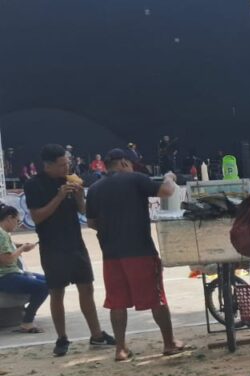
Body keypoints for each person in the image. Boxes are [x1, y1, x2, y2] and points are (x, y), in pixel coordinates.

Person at [86, 149, 186, 361]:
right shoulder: (135, 179)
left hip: (111, 254)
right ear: (124, 162)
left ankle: (120, 349)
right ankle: (169, 343)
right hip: (140, 251)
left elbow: (92, 223)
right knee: (156, 298)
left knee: (117, 302)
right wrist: (170, 177)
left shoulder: (94, 189)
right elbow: (167, 191)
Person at [24, 144, 115, 356]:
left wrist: (79, 196)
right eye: (62, 164)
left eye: (67, 163)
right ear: (48, 165)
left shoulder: (69, 180)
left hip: (75, 242)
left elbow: (83, 210)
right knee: (57, 292)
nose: (66, 168)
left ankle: (97, 335)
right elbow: (37, 217)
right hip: (52, 246)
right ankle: (62, 338)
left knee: (87, 288)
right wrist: (58, 196)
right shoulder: (34, 184)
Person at [0, 204, 49, 333]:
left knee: (49, 281)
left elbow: (8, 246)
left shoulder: (3, 233)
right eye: (17, 221)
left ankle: (27, 314)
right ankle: (27, 321)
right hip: (5, 276)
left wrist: (21, 246)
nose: (17, 225)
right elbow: (6, 260)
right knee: (44, 286)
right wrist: (22, 249)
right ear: (9, 218)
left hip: (12, 273)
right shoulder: (1, 234)